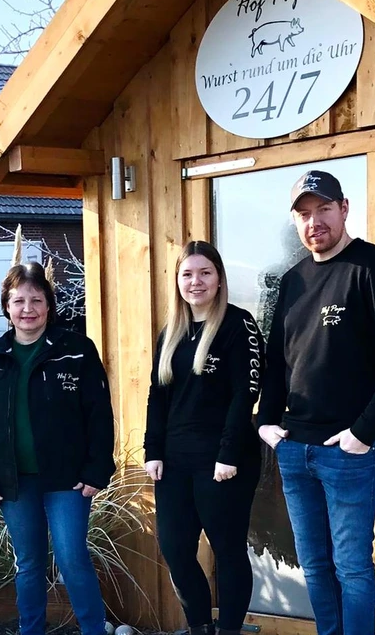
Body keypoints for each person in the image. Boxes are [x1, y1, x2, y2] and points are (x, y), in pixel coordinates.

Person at [256, 170, 375, 635]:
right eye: (305, 214)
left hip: (350, 451)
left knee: (351, 567)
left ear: (345, 208)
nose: (315, 222)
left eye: (324, 210)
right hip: (294, 449)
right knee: (314, 565)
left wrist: (363, 432)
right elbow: (275, 361)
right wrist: (266, 422)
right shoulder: (291, 281)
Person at [0, 261, 114, 635]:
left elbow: (99, 414)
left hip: (68, 480)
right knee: (27, 563)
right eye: (18, 301)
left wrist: (97, 469)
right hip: (13, 481)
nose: (27, 308)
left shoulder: (76, 350)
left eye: (36, 300)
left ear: (49, 305)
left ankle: (94, 630)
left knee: (72, 558)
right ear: (6, 307)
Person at [143, 241, 263, 635]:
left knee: (227, 551)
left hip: (224, 461)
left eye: (205, 273)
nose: (196, 282)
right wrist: (152, 450)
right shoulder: (171, 333)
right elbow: (157, 397)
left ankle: (228, 629)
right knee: (176, 549)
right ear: (177, 281)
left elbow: (245, 393)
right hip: (175, 462)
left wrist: (228, 454)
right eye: (187, 274)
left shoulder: (238, 324)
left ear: (219, 278)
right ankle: (200, 627)